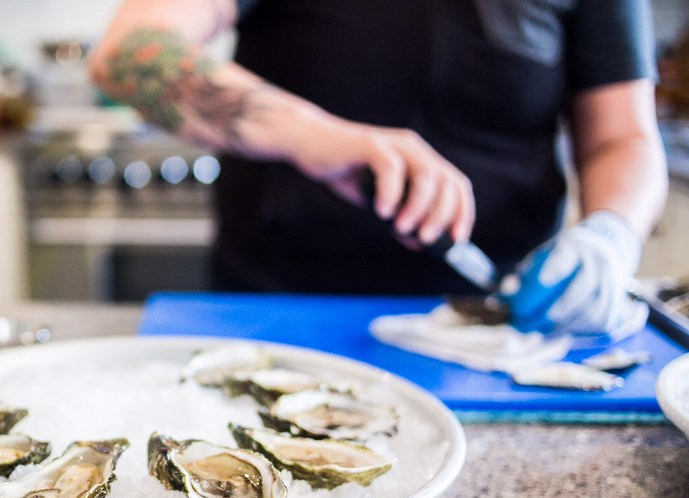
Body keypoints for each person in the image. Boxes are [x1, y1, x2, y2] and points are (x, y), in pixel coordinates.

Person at [88, 0, 669, 340]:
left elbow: (623, 137)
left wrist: (611, 235)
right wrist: (317, 136)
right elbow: (130, 51)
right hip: (279, 314)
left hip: (501, 324)